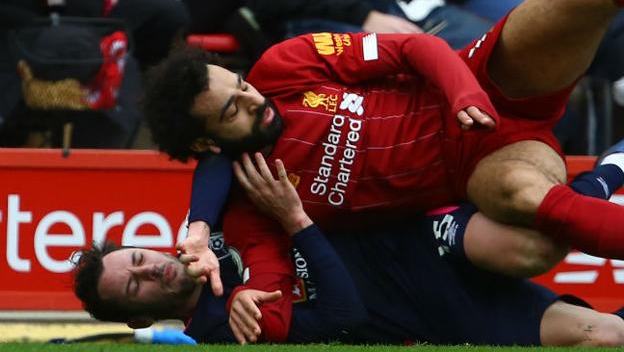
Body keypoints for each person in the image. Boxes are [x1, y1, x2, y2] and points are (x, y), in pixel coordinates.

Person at [143, 0, 624, 341]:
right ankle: (607, 175)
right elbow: (273, 288)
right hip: (480, 166)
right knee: (528, 211)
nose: (254, 100)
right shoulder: (257, 207)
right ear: (207, 142)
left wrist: (464, 95)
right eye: (234, 110)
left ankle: (606, 173)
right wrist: (251, 300)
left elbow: (415, 47)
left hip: (481, 80)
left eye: (242, 86)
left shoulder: (282, 65)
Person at [72, 160, 624, 346]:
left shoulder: (200, 235)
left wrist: (197, 222)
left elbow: (220, 154)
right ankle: (604, 177)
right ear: (141, 315)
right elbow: (344, 314)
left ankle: (607, 172)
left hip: (410, 241)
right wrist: (297, 223)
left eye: (138, 258)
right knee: (607, 337)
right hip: (433, 312)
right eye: (136, 285)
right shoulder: (225, 329)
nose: (151, 269)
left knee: (534, 245)